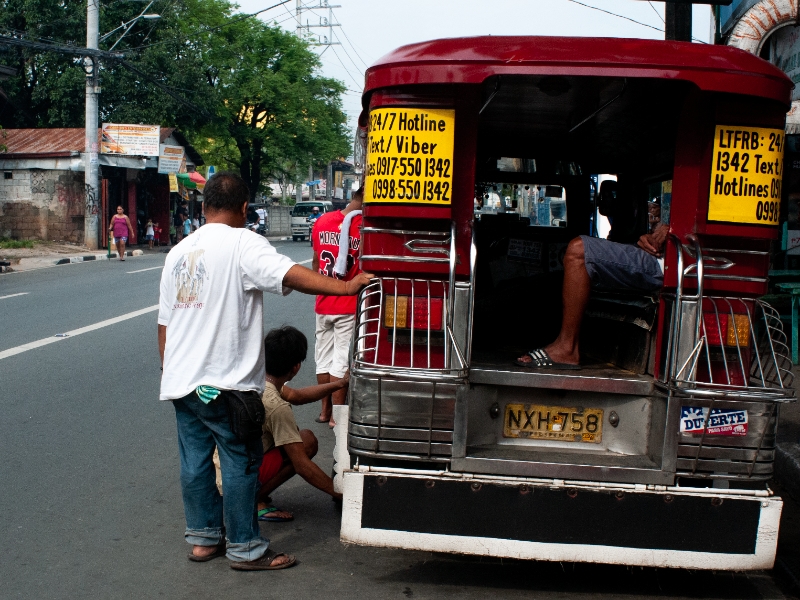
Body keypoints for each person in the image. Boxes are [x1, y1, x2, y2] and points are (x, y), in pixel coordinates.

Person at [158, 171, 372, 571]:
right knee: (240, 462)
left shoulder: (179, 252)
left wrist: (171, 371)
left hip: (182, 381)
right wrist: (344, 288)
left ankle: (204, 540)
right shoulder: (243, 242)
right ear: (244, 208)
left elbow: (165, 324)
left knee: (194, 463)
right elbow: (289, 274)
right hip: (226, 383)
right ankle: (245, 548)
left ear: (204, 207)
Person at [214, 326, 347, 523]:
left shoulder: (255, 379)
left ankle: (251, 494)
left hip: (220, 471)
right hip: (236, 480)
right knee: (306, 443)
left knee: (303, 437)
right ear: (296, 367)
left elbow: (296, 395)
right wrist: (342, 495)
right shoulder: (277, 407)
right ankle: (254, 500)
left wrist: (339, 384)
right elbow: (302, 465)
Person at [516, 221, 669, 370]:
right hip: (660, 253)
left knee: (579, 249)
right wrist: (655, 235)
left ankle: (566, 348)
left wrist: (671, 230)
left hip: (666, 264)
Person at [311, 189, 363, 426]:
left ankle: (324, 410)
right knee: (341, 360)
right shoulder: (365, 225)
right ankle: (336, 415)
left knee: (323, 358)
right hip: (348, 302)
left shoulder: (322, 221)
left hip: (323, 300)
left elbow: (315, 262)